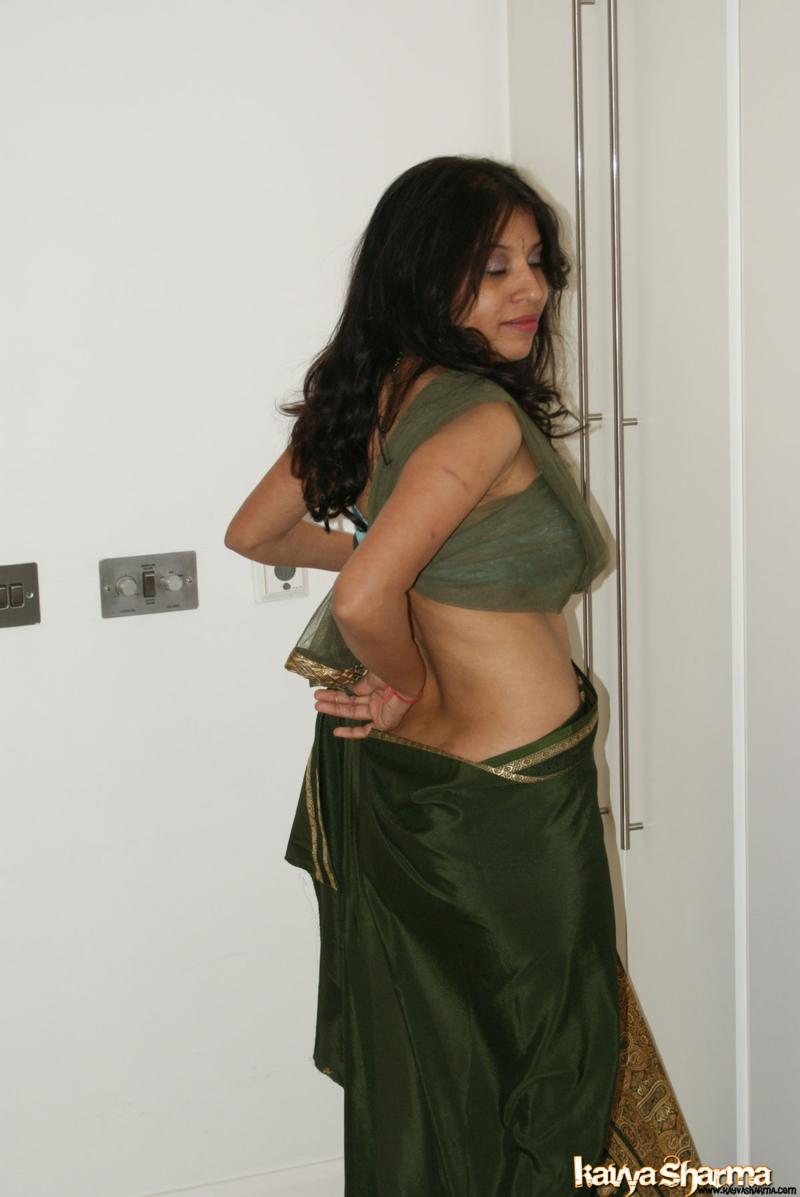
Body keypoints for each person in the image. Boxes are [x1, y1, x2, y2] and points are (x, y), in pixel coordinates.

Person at [225, 156, 700, 1195]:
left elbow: (254, 533)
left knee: (453, 1052)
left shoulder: (374, 394)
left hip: (413, 792)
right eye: (492, 268)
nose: (530, 289)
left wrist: (401, 557)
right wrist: (403, 676)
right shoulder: (478, 417)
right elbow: (363, 600)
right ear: (422, 272)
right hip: (509, 798)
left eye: (536, 262)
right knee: (555, 1056)